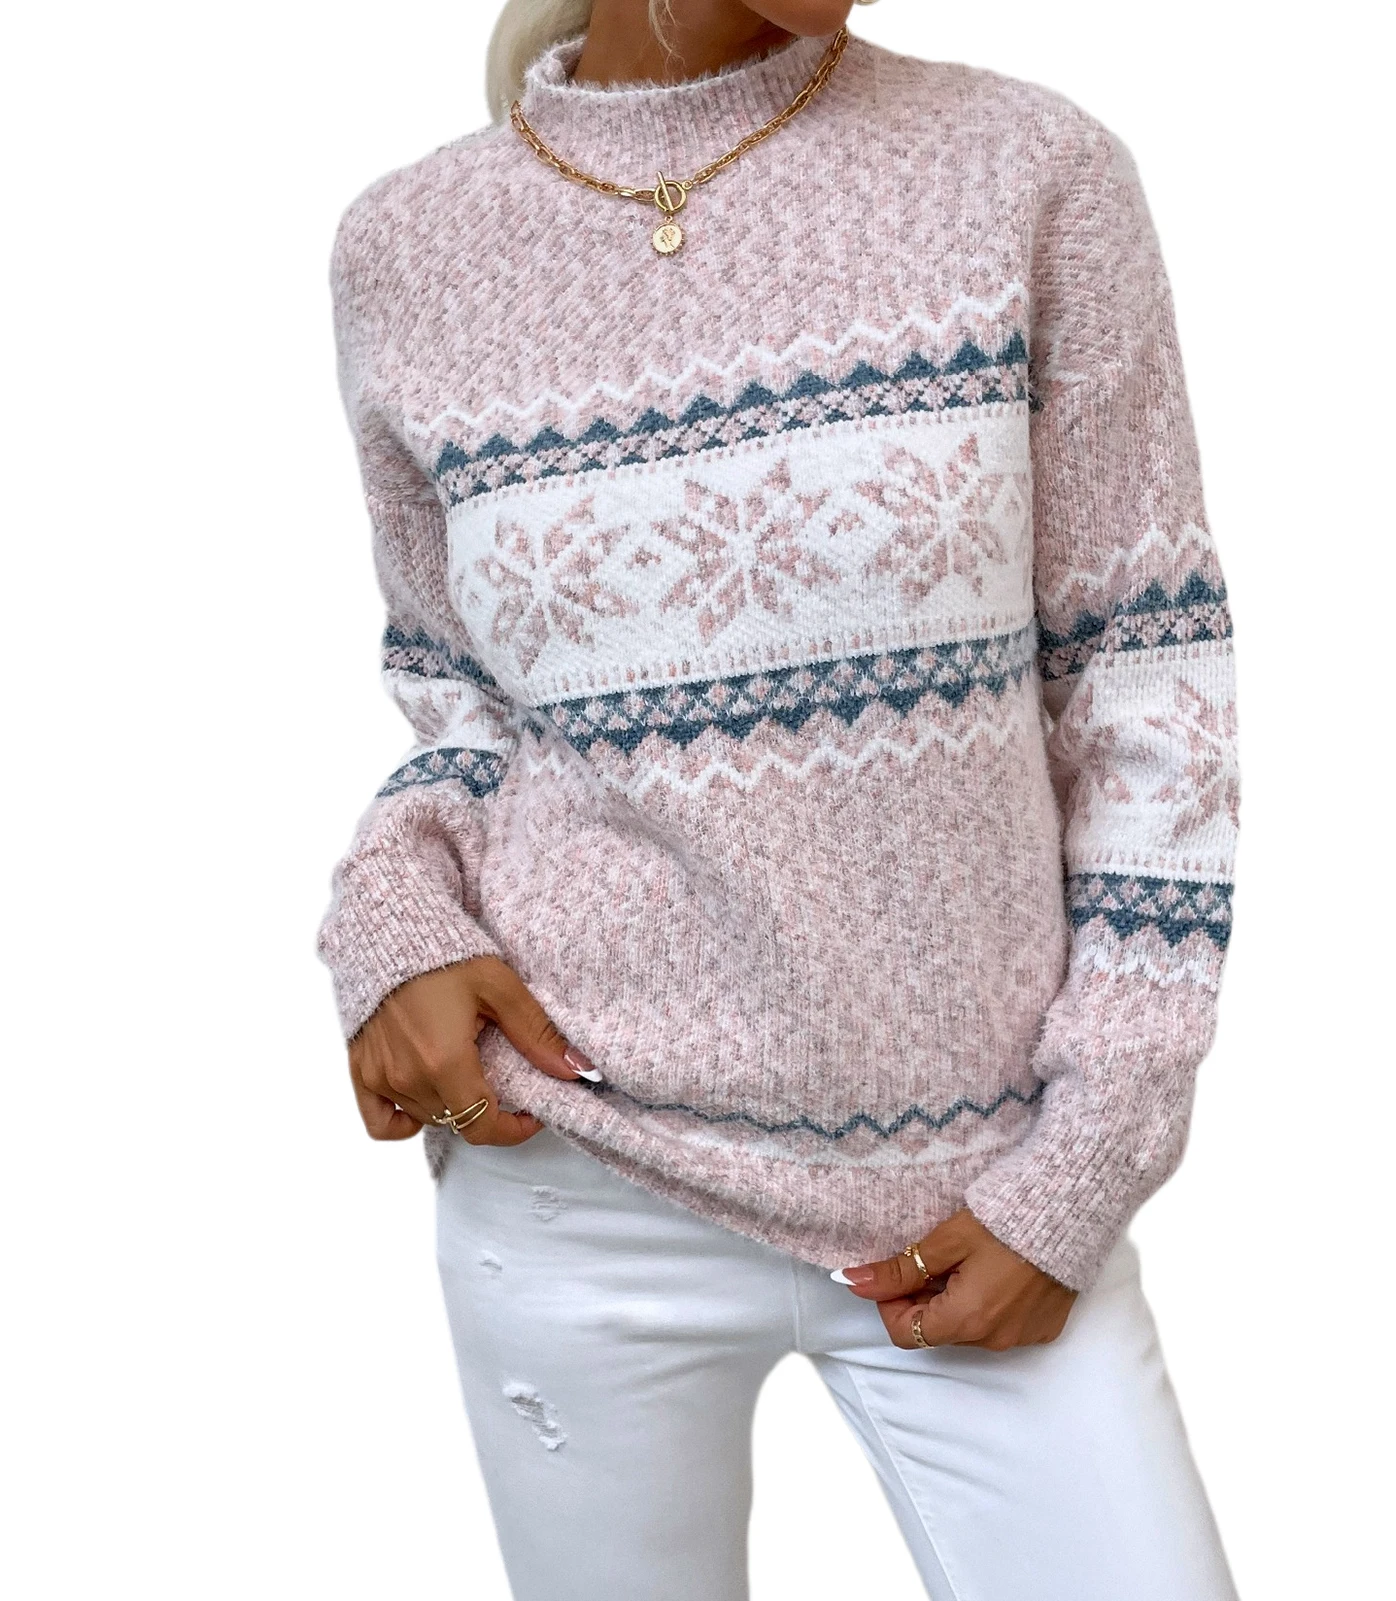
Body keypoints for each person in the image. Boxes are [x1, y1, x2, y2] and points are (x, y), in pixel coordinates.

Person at [316, 0, 1242, 1595]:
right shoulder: (409, 246)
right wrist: (393, 920)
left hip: (989, 1188)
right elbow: (460, 701)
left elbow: (1148, 688)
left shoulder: (1028, 170)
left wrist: (1090, 1158)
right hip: (578, 1179)